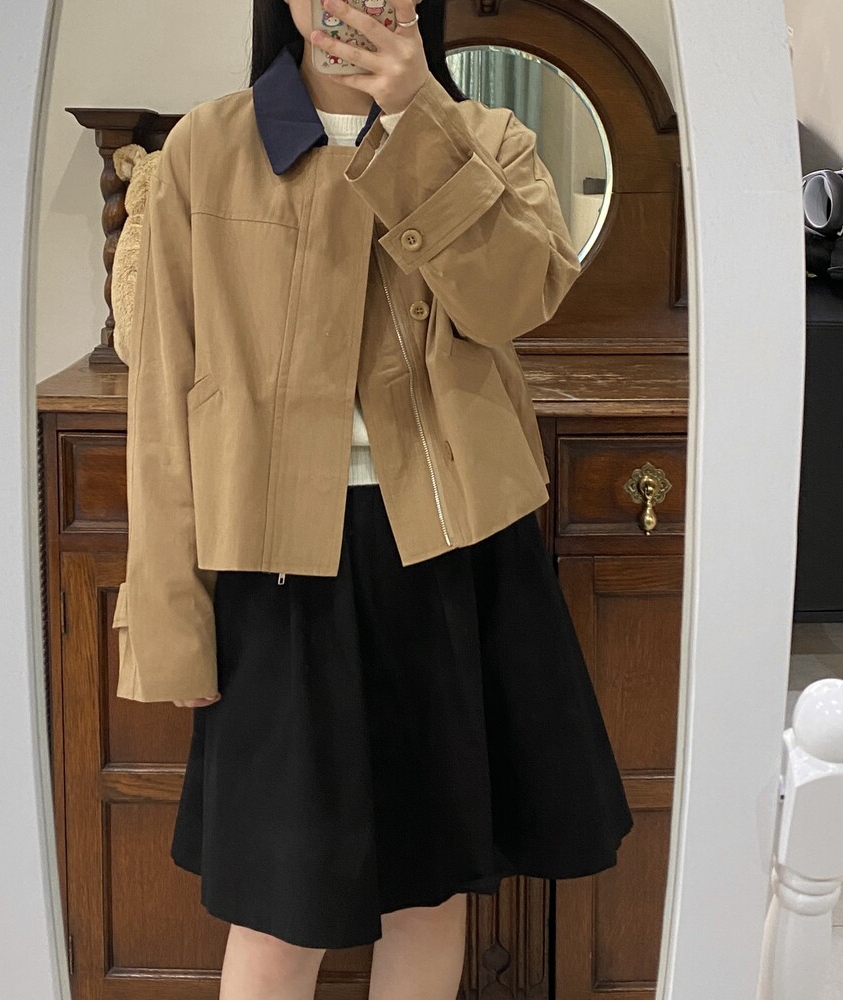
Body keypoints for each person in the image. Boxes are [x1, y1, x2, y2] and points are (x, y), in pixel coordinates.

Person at [115, 1, 634, 997]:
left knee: (430, 888)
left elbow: (514, 300)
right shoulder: (207, 149)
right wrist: (172, 614)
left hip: (451, 551)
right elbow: (163, 394)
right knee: (278, 904)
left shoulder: (484, 137)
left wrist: (417, 122)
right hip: (273, 567)